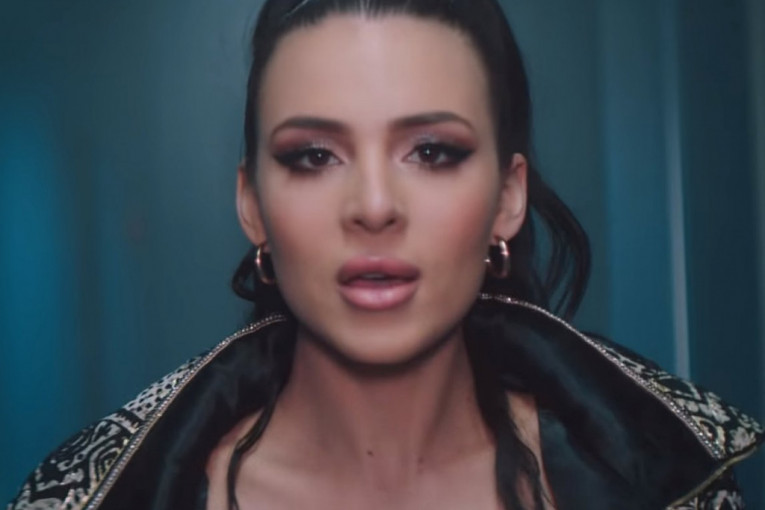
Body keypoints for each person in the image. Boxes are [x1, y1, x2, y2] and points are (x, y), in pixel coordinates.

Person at [7, 0, 763, 509]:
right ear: (252, 204)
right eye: (313, 156)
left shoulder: (664, 483)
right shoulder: (90, 497)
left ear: (508, 196)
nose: (373, 206)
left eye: (432, 151)